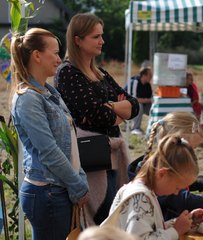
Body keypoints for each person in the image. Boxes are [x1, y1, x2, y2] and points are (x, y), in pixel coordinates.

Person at [55, 13, 139, 225]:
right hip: (91, 158)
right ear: (78, 40)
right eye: (96, 36)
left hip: (111, 157)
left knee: (114, 217)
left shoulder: (100, 73)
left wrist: (110, 107)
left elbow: (134, 105)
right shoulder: (68, 73)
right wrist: (118, 110)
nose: (102, 41)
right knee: (102, 220)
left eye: (101, 35)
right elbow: (98, 115)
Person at [10, 28, 89, 240]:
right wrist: (77, 184)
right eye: (54, 53)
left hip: (58, 189)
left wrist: (78, 179)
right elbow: (49, 152)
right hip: (48, 193)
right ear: (37, 55)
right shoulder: (28, 99)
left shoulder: (49, 92)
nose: (59, 58)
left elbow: (68, 143)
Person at [128, 112, 203, 220]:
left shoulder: (162, 162)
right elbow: (182, 200)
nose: (191, 155)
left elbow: (180, 184)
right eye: (190, 149)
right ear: (176, 142)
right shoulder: (160, 171)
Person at [103, 135, 203, 239]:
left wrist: (182, 222)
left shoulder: (144, 191)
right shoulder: (140, 197)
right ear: (162, 174)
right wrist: (175, 231)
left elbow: (151, 229)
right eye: (177, 187)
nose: (176, 193)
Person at [125, 66, 153, 135]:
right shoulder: (135, 82)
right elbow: (133, 99)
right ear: (144, 75)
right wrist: (148, 100)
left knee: (153, 107)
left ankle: (153, 128)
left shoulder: (148, 85)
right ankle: (135, 128)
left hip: (142, 104)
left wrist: (150, 101)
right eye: (150, 75)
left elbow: (150, 99)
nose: (151, 77)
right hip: (125, 104)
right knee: (138, 105)